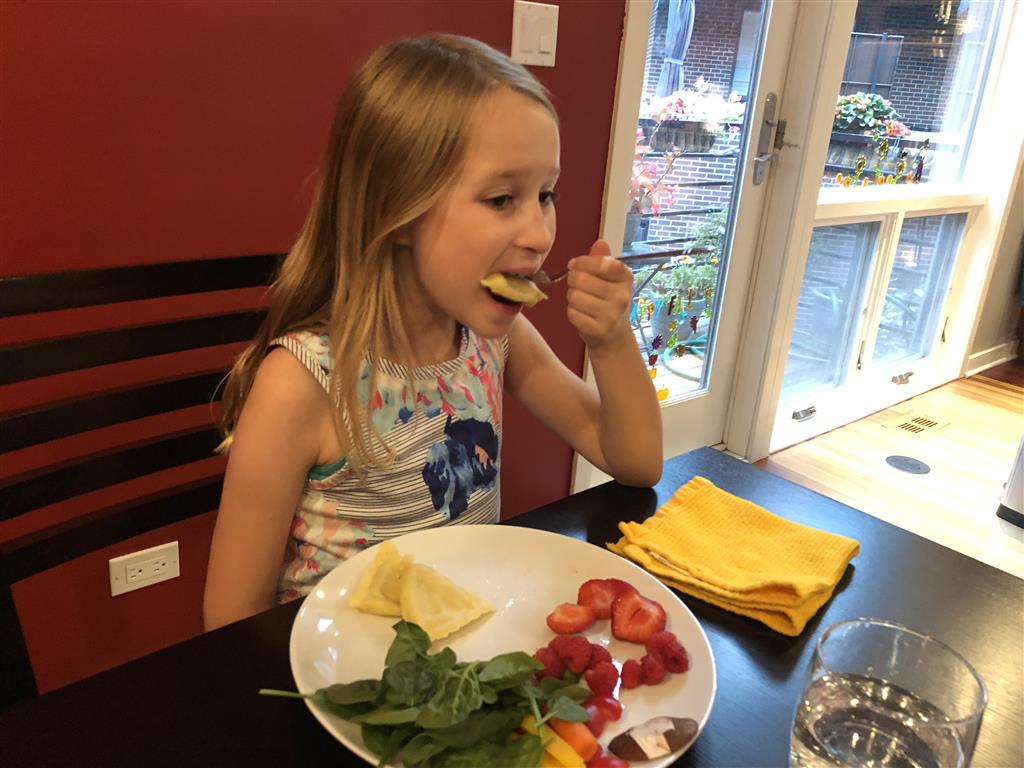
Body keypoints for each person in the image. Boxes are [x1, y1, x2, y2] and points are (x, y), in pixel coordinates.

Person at [203, 34, 662, 631]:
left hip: (468, 652)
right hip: (345, 671)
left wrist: (612, 342)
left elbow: (635, 462)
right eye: (502, 198)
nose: (540, 233)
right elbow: (230, 618)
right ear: (398, 212)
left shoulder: (493, 341)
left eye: (545, 194)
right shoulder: (303, 383)